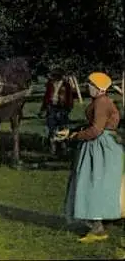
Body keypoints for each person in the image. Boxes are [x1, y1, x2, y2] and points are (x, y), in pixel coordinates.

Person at [61, 72, 123, 243]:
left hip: (101, 148)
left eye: (91, 84)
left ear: (99, 88)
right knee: (97, 183)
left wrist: (73, 137)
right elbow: (94, 126)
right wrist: (74, 131)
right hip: (103, 145)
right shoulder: (101, 101)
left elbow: (96, 130)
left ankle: (98, 229)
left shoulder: (102, 103)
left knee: (92, 183)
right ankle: (98, 222)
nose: (88, 87)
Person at [38, 68, 74, 157]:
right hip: (52, 108)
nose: (53, 78)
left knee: (62, 129)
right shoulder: (50, 85)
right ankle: (52, 149)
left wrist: (67, 109)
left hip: (62, 109)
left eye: (55, 76)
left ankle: (63, 148)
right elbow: (46, 98)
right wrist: (43, 109)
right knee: (52, 129)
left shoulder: (66, 85)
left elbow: (70, 98)